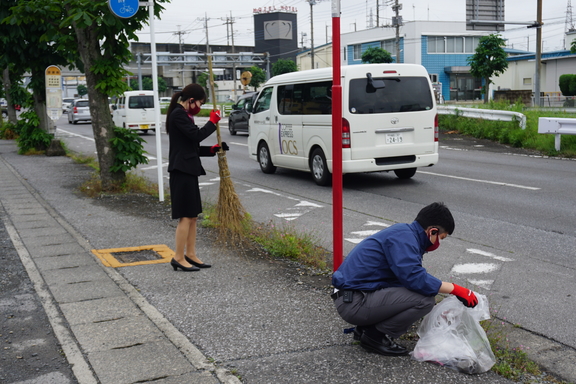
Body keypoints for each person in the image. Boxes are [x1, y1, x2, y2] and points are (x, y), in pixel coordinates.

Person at [331, 202, 478, 356]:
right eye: (441, 237)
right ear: (432, 231)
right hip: (354, 302)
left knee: (418, 294)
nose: (438, 243)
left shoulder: (405, 234)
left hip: (353, 296)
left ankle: (367, 328)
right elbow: (415, 278)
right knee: (425, 301)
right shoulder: (404, 238)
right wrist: (456, 289)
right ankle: (375, 337)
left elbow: (404, 282)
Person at [166, 84, 228, 272]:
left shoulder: (185, 115)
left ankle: (190, 254)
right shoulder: (178, 114)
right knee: (185, 216)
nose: (200, 106)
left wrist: (212, 150)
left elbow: (190, 146)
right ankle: (178, 257)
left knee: (192, 216)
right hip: (181, 171)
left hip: (189, 169)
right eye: (200, 102)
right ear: (191, 101)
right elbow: (195, 136)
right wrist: (212, 122)